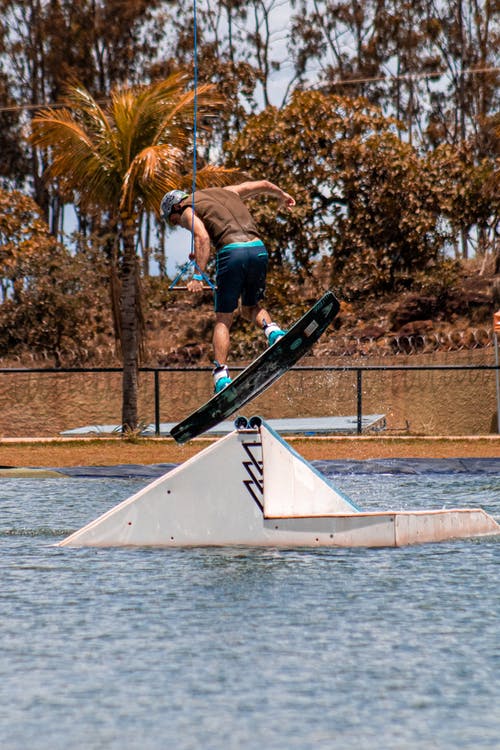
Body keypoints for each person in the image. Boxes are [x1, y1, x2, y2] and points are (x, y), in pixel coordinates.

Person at [161, 181, 296, 393]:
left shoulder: (187, 208)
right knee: (250, 307)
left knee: (224, 318)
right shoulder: (228, 192)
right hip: (258, 249)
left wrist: (198, 277)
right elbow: (263, 184)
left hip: (232, 253)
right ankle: (274, 333)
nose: (179, 224)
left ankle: (221, 376)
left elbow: (202, 236)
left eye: (175, 221)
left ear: (176, 207)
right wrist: (282, 194)